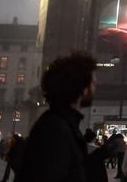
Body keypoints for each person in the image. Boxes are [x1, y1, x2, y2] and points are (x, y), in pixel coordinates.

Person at [17, 51, 100, 182]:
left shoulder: (58, 124)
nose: (94, 89)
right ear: (83, 89)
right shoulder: (55, 131)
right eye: (93, 84)